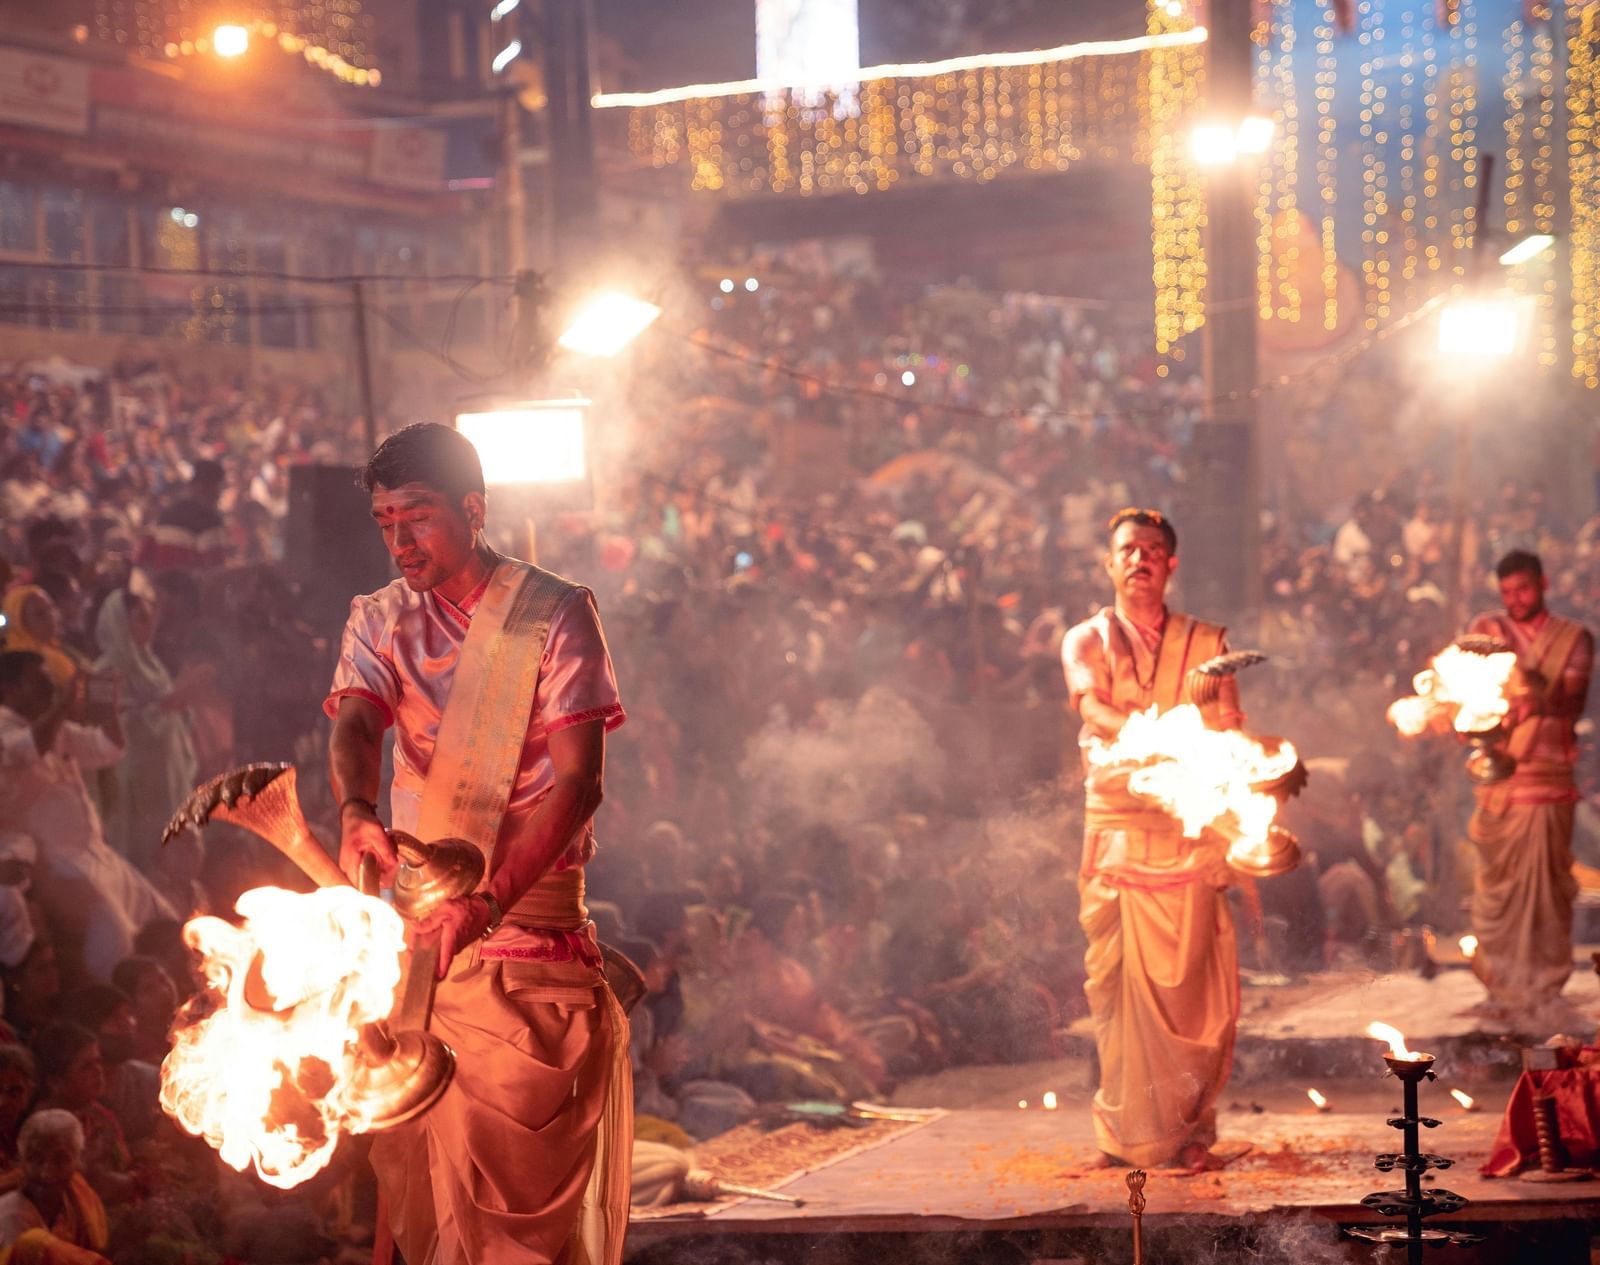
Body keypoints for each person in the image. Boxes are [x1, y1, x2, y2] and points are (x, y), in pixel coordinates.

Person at [325, 423, 630, 1265]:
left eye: (416, 517)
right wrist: (355, 806)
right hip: (427, 956)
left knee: (519, 1221)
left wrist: (487, 904)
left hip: (528, 954)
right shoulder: (379, 618)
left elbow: (578, 783)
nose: (400, 541)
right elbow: (355, 719)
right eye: (386, 522)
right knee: (425, 1209)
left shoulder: (556, 613)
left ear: (473, 509)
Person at [1060, 509, 1245, 1171]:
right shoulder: (1084, 639)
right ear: (1109, 563)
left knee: (1192, 986)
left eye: (1154, 549)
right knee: (1119, 991)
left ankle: (1188, 1131)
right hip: (1117, 831)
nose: (1140, 558)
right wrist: (1158, 737)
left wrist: (1241, 803)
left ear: (1172, 565)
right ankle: (1129, 1131)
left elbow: (1227, 731)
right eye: (1128, 549)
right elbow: (1093, 709)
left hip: (1187, 827)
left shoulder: (1208, 643)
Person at [1464, 550, 1594, 1014]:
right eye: (1506, 593)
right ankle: (1500, 985)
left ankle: (1542, 988)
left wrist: (1529, 696)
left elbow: (1570, 703)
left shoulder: (1574, 638)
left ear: (1543, 583)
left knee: (1545, 894)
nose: (1515, 600)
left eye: (1523, 589)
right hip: (1498, 781)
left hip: (1547, 778)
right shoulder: (1487, 629)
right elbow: (1464, 693)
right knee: (1495, 887)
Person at [0, 652, 177, 981]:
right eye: (39, 682)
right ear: (9, 689)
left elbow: (109, 747)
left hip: (98, 853)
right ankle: (118, 1018)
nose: (50, 688)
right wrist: (63, 707)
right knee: (116, 944)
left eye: (50, 682)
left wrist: (106, 710)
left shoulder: (57, 727)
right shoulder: (8, 727)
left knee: (165, 923)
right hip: (56, 865)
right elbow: (28, 747)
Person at [92, 589, 200, 866]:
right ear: (118, 621)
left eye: (152, 619)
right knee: (135, 842)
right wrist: (164, 706)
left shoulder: (151, 664)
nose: (149, 626)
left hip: (162, 770)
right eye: (140, 619)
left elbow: (169, 711)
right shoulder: (106, 669)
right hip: (131, 774)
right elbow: (107, 724)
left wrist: (179, 705)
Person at [0, 1110, 109, 1265]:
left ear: (77, 1161)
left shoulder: (77, 1198)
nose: (46, 1174)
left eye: (61, 1160)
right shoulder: (10, 1216)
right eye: (35, 1158)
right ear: (20, 1161)